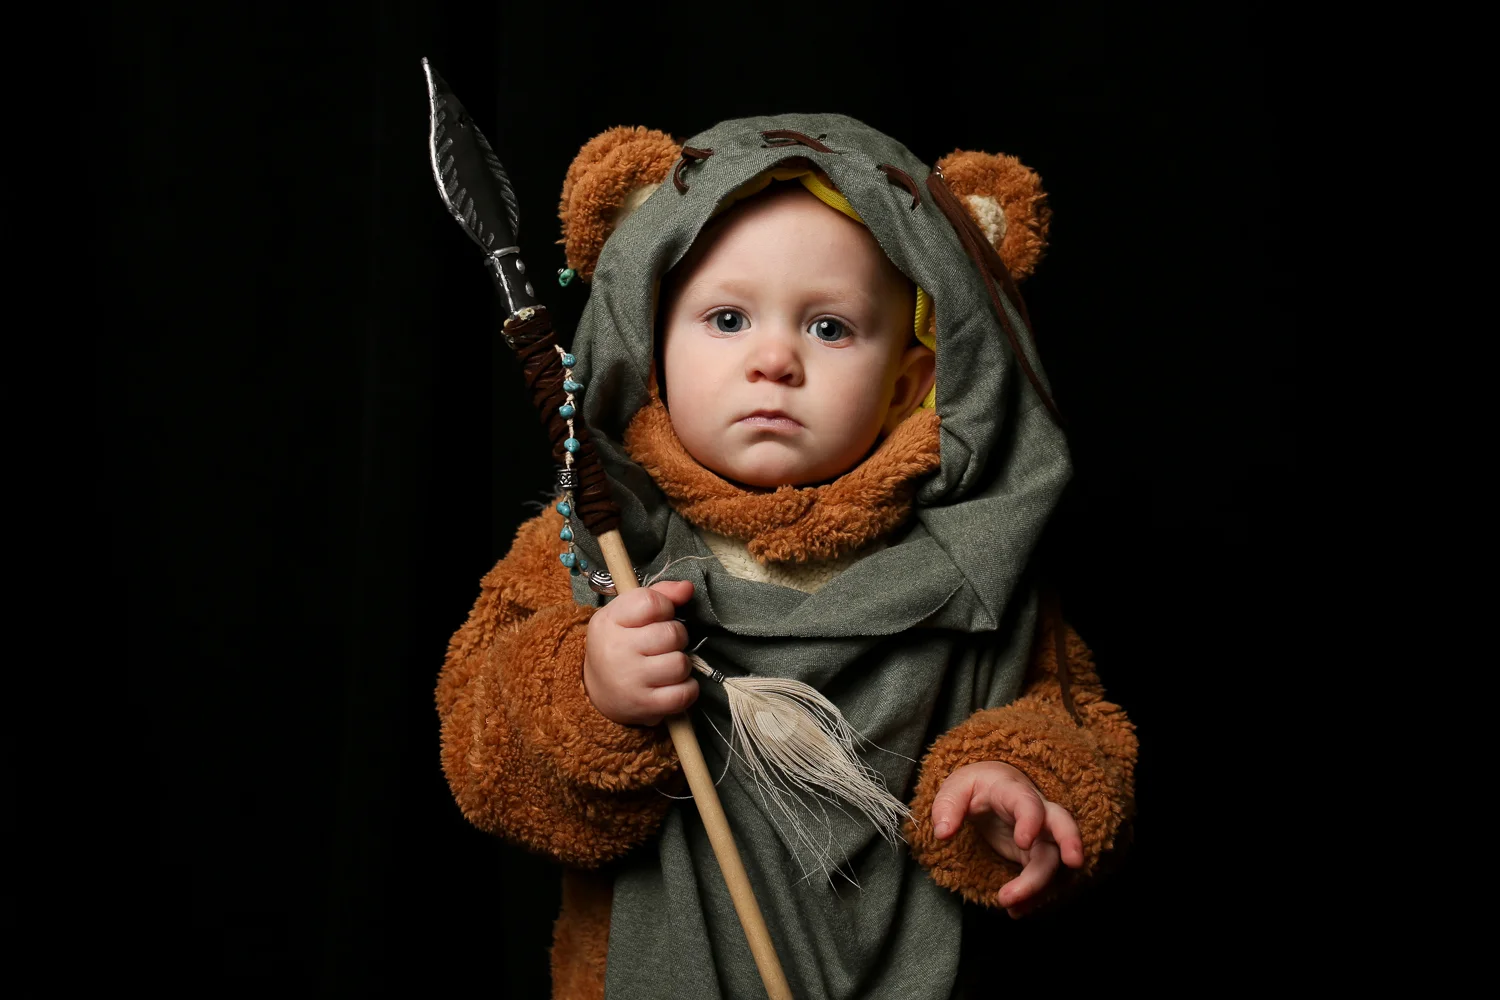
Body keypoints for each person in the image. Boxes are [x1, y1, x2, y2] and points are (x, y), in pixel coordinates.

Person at [437, 114, 1136, 1000]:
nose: (774, 359)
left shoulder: (974, 567)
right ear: (654, 348)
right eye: (726, 318)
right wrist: (587, 695)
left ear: (913, 382)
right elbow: (481, 758)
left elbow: (1065, 717)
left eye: (832, 329)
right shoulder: (595, 547)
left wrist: (1019, 784)